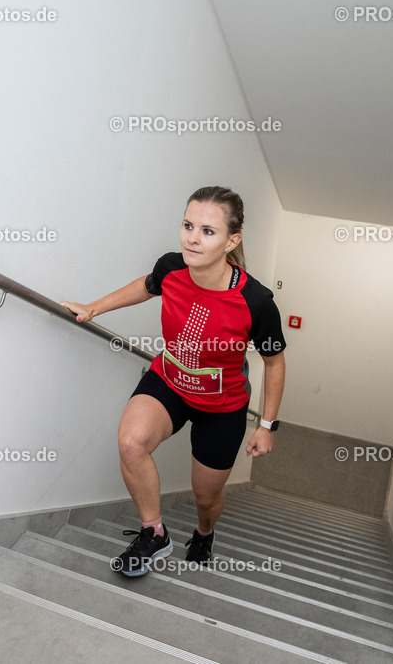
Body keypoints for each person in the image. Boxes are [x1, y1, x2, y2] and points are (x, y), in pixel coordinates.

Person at [60, 186, 286, 577]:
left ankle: (204, 532)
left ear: (232, 240)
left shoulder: (256, 301)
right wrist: (94, 307)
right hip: (170, 382)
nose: (193, 238)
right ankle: (154, 532)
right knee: (131, 442)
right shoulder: (171, 267)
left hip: (223, 408)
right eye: (188, 225)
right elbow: (147, 285)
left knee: (205, 497)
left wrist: (266, 425)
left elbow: (275, 362)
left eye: (208, 231)